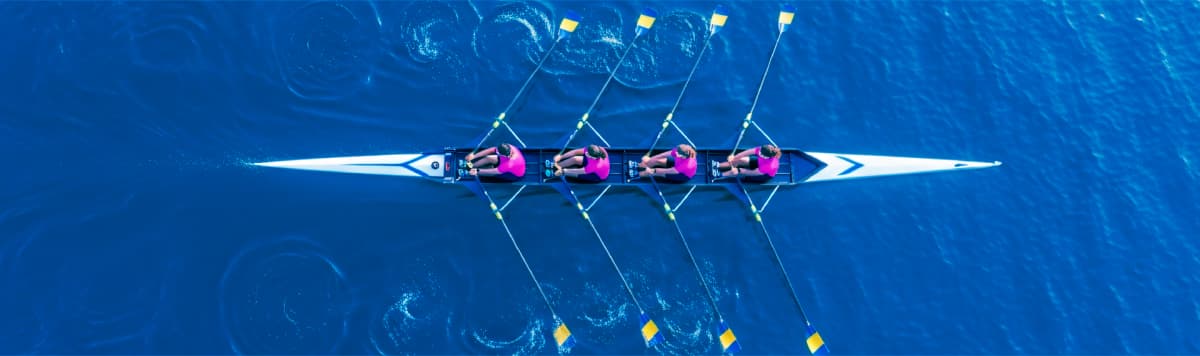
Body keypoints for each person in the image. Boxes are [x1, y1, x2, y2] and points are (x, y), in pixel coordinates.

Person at [633, 143, 697, 182]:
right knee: (657, 161)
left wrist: (653, 170)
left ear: (683, 156)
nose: (675, 152)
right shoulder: (680, 150)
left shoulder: (686, 165)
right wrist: (650, 159)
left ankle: (637, 174)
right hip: (677, 163)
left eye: (677, 153)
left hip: (682, 175)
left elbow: (666, 171)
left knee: (653, 173)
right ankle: (640, 165)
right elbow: (663, 155)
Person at [714, 144, 781, 179]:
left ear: (767, 157)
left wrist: (739, 170)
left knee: (738, 171)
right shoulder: (762, 149)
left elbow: (751, 172)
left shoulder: (770, 166)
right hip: (759, 163)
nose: (759, 154)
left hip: (763, 174)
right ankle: (718, 166)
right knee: (740, 160)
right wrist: (734, 157)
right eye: (760, 152)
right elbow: (744, 153)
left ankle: (719, 175)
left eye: (761, 154)